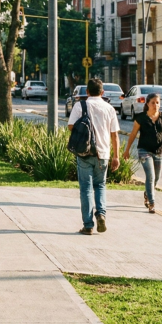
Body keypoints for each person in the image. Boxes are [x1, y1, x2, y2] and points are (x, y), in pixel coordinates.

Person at [67, 78, 119, 235]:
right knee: (100, 185)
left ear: (87, 91)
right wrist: (116, 157)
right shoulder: (109, 108)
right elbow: (115, 135)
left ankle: (88, 225)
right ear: (102, 92)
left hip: (85, 152)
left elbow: (70, 126)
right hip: (103, 154)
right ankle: (101, 214)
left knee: (86, 188)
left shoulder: (80, 105)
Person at [122, 93, 162, 214]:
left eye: (157, 103)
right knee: (150, 176)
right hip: (144, 150)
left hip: (159, 151)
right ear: (147, 104)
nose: (155, 105)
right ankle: (152, 203)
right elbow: (133, 134)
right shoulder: (141, 118)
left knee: (156, 178)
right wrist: (127, 150)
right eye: (153, 103)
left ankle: (147, 193)